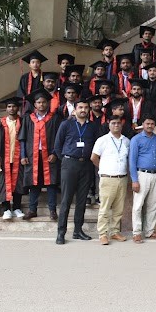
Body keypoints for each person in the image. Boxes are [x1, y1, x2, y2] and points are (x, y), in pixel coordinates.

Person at [53, 99, 99, 244]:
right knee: (66, 200)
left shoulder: (93, 127)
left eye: (86, 107)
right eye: (80, 107)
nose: (83, 110)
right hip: (69, 164)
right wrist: (65, 159)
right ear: (75, 109)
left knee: (81, 200)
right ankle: (61, 232)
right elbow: (57, 145)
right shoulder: (66, 124)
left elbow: (97, 145)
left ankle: (78, 231)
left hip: (86, 165)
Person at [19, 90, 61, 221]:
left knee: (51, 183)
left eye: (44, 102)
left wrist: (55, 153)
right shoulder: (27, 119)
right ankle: (32, 210)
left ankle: (52, 211)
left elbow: (60, 139)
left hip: (49, 155)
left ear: (48, 103)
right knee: (34, 183)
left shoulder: (55, 119)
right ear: (34, 104)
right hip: (33, 156)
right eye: (38, 102)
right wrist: (23, 155)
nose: (41, 104)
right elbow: (23, 138)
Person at [91, 117, 130, 245]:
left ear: (122, 125)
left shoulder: (126, 141)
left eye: (119, 123)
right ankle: (103, 234)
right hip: (108, 178)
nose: (116, 125)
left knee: (119, 208)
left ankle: (114, 232)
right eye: (113, 123)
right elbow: (94, 157)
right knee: (105, 207)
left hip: (122, 178)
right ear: (109, 125)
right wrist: (103, 168)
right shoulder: (102, 140)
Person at [128, 114, 156, 244]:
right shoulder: (136, 139)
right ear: (142, 125)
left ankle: (150, 231)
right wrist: (134, 180)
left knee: (153, 204)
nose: (150, 126)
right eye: (147, 123)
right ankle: (137, 232)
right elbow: (132, 161)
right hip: (141, 175)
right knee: (138, 205)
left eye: (152, 124)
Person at [0, 97, 25, 220]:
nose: (12, 108)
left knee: (18, 184)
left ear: (18, 108)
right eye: (9, 106)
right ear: (6, 108)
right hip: (4, 158)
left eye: (14, 106)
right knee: (4, 184)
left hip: (19, 158)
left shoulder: (22, 121)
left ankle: (16, 208)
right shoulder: (1, 123)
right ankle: (6, 209)